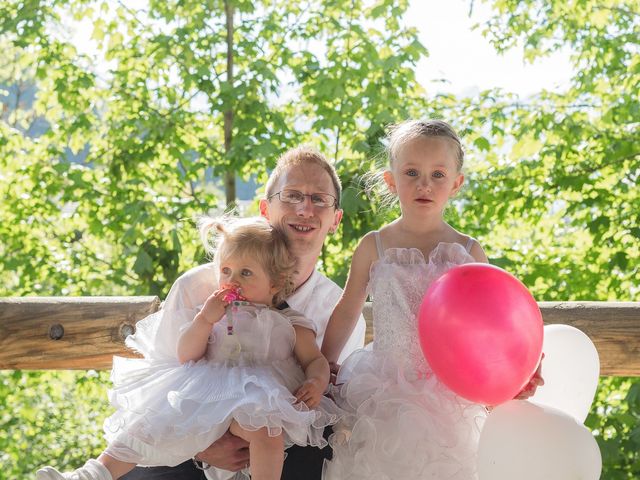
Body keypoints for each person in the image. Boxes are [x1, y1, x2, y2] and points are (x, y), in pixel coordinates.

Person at [120, 146, 366, 480]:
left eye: (319, 199)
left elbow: (338, 416)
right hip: (191, 447)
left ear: (335, 219)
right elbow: (161, 382)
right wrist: (202, 447)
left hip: (288, 457)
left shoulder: (338, 311)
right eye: (292, 195)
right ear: (266, 209)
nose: (305, 208)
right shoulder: (198, 287)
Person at [37, 217, 343, 480]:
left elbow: (314, 360)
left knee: (267, 434)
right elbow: (187, 354)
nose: (231, 281)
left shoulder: (290, 322)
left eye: (246, 273)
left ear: (275, 283)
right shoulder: (212, 312)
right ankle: (93, 473)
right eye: (226, 271)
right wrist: (204, 320)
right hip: (207, 394)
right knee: (151, 423)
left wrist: (316, 380)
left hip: (258, 402)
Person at [320, 119, 543, 480]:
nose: (424, 184)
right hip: (386, 392)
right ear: (391, 181)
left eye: (438, 174)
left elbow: (492, 323)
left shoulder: (467, 251)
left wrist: (512, 373)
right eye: (411, 172)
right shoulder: (373, 246)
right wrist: (324, 362)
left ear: (456, 183)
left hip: (451, 397)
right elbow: (348, 309)